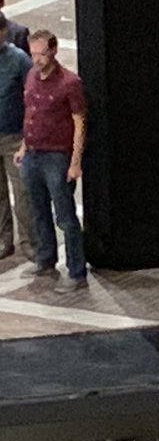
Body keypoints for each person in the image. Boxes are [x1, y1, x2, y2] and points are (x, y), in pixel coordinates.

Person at [16, 29, 87, 293]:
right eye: (33, 54)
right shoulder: (32, 76)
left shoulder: (70, 83)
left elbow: (80, 123)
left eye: (42, 54)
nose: (36, 60)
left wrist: (75, 161)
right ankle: (46, 260)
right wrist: (24, 147)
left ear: (54, 51)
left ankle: (77, 272)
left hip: (57, 157)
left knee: (66, 218)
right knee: (39, 211)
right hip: (33, 154)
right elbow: (30, 114)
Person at [0, 14, 31, 260]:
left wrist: (28, 136)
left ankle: (30, 242)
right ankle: (3, 240)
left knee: (23, 192)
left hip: (14, 137)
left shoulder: (19, 60)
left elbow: (32, 99)